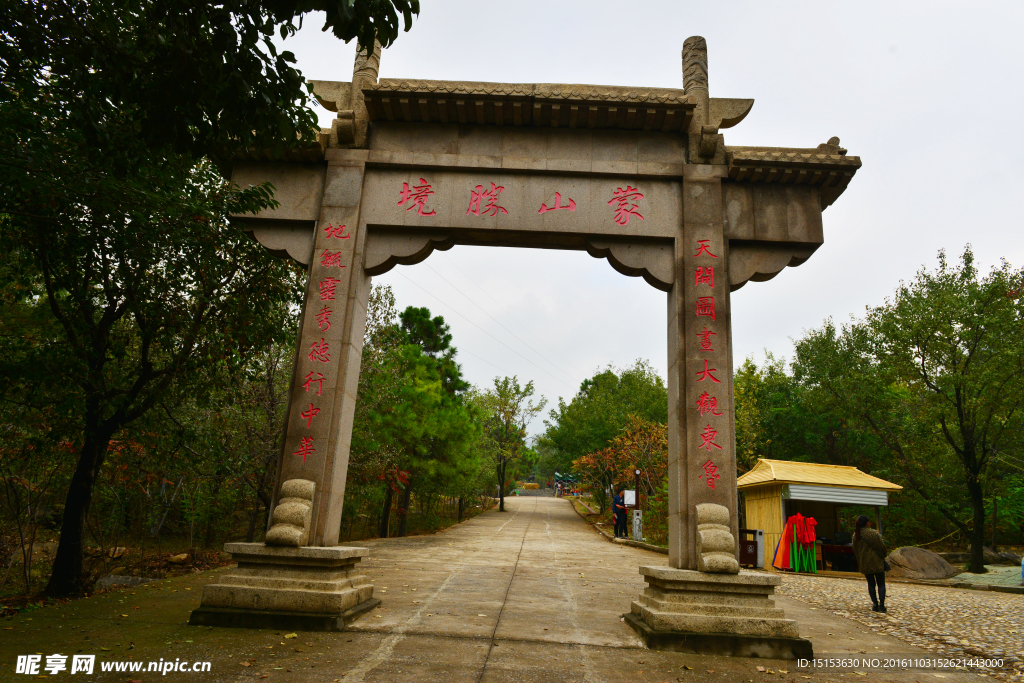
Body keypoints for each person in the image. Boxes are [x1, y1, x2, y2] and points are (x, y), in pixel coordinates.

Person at [853, 515, 888, 612]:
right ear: (868, 523)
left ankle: (875, 604)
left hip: (865, 563)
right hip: (877, 562)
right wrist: (883, 555)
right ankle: (882, 604)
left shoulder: (856, 535)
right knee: (881, 583)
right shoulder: (874, 533)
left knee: (871, 584)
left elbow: (855, 550)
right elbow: (882, 546)